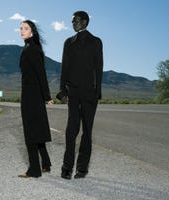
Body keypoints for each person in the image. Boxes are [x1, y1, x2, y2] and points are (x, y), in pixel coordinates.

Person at [57, 11, 103, 179]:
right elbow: (65, 68)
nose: (73, 23)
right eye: (72, 21)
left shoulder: (96, 42)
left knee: (87, 132)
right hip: (73, 93)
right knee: (71, 130)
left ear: (84, 22)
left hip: (90, 94)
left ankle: (82, 169)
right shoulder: (68, 43)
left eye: (75, 20)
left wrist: (97, 92)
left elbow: (99, 68)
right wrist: (62, 90)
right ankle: (66, 168)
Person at [18, 20, 54, 178]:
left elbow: (41, 74)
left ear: (32, 31)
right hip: (32, 93)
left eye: (25, 28)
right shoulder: (30, 47)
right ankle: (45, 163)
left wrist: (47, 96)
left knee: (31, 132)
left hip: (31, 95)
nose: (22, 31)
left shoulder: (32, 49)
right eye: (20, 28)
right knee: (37, 129)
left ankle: (34, 170)